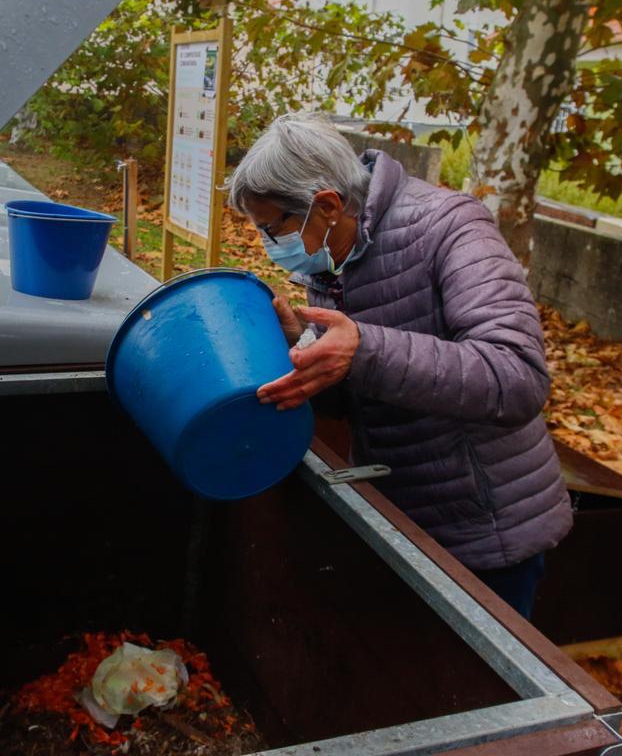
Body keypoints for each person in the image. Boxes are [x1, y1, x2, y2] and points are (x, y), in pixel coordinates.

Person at [225, 113, 572, 620]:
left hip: (483, 526)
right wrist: (305, 347)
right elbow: (366, 386)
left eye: (271, 228)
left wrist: (361, 348)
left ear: (326, 205)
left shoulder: (452, 226)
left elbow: (516, 376)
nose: (267, 244)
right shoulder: (335, 249)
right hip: (404, 509)